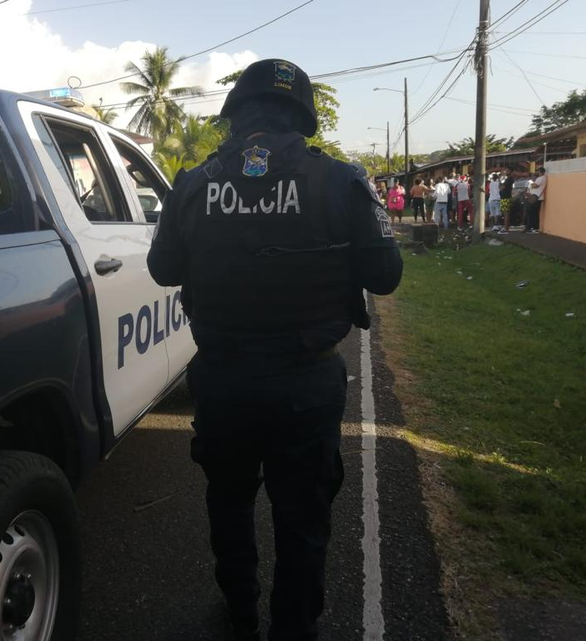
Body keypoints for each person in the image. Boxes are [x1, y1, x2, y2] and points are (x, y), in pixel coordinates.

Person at [146, 58, 403, 641]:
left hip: (222, 380)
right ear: (305, 116)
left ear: (235, 115)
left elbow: (163, 270)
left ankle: (239, 610)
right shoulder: (342, 180)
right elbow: (385, 276)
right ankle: (294, 627)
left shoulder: (192, 182)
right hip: (305, 385)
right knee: (303, 516)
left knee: (229, 501)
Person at [525, 167, 547, 233]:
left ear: (540, 171)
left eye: (537, 171)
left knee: (533, 213)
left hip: (537, 198)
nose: (536, 172)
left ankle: (533, 227)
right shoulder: (540, 178)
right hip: (535, 197)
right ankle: (532, 227)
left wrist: (530, 180)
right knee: (532, 213)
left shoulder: (542, 178)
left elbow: (535, 186)